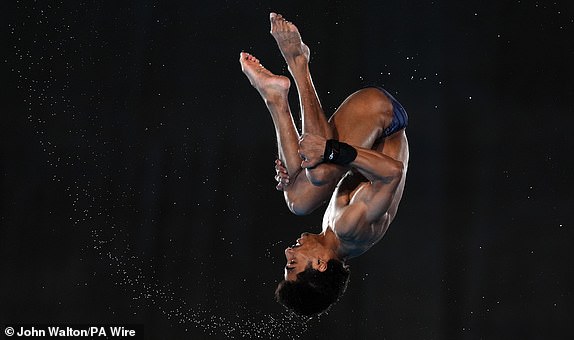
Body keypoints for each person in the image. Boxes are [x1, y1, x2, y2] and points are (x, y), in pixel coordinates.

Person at [239, 13, 409, 317]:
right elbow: (392, 173)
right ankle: (298, 61)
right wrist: (330, 151)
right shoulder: (350, 229)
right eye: (293, 263)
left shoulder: (334, 234)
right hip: (385, 118)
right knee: (319, 171)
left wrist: (296, 175)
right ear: (319, 265)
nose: (288, 252)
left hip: (368, 133)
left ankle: (276, 98)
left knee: (298, 198)